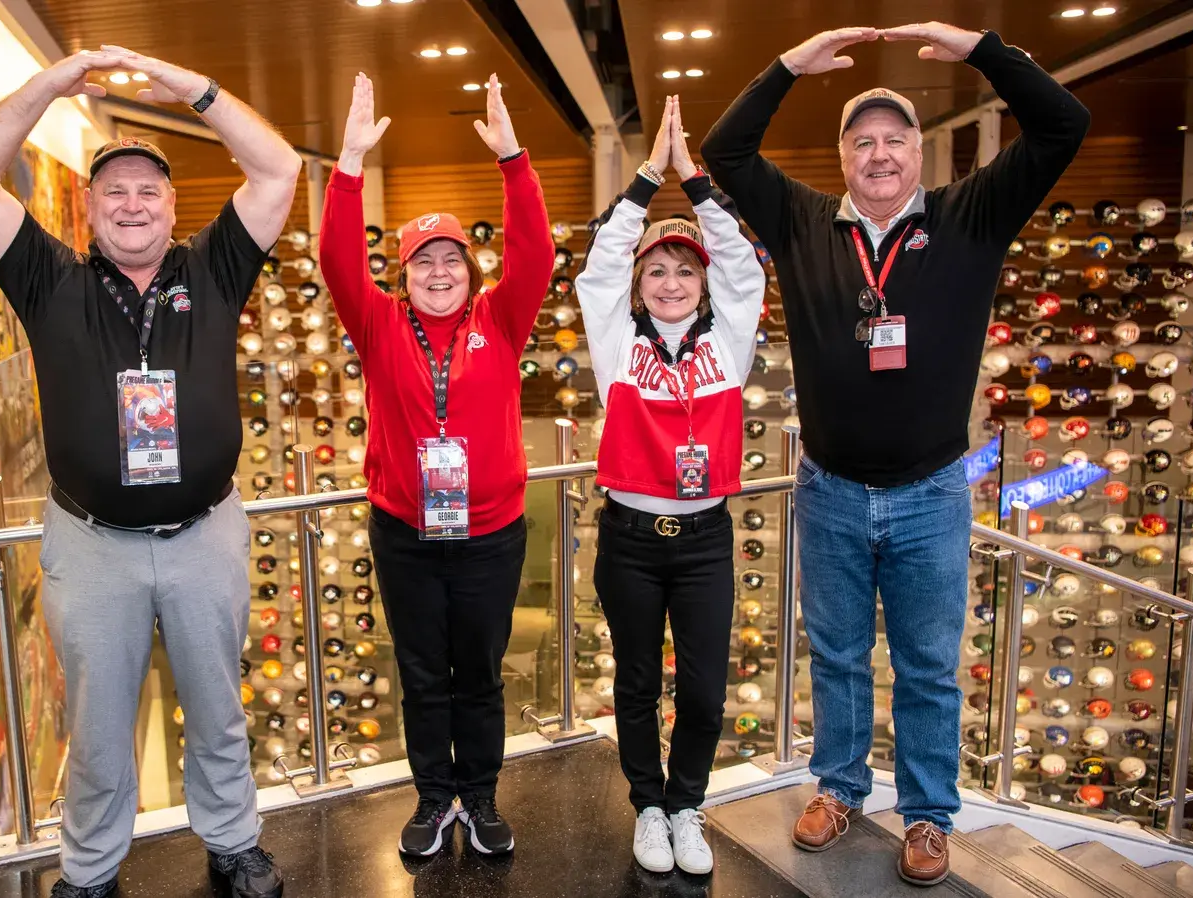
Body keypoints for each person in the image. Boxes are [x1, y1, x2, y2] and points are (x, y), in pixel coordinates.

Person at [700, 22, 1089, 886]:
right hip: (829, 489)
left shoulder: (970, 215)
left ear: (919, 151)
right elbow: (724, 149)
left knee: (925, 666)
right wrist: (788, 65)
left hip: (930, 492)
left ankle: (924, 816)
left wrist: (983, 51)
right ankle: (838, 789)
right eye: (861, 141)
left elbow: (1062, 126)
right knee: (834, 655)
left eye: (893, 139)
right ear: (842, 156)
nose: (878, 155)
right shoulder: (801, 220)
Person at [0, 45, 302, 898]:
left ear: (172, 206)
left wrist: (189, 85)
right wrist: (49, 85)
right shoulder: (48, 278)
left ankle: (234, 840)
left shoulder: (213, 268)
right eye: (114, 192)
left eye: (148, 190)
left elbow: (278, 167)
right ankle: (90, 870)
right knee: (99, 728)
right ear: (90, 208)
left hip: (203, 535)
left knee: (217, 710)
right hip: (91, 543)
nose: (132, 204)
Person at [320, 72, 554, 858]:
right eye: (424, 261)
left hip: (491, 533)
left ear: (471, 267)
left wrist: (513, 161)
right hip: (405, 533)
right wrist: (348, 163)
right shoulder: (379, 324)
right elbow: (335, 259)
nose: (439, 271)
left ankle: (480, 794)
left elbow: (537, 251)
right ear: (403, 273)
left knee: (479, 674)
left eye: (451, 258)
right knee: (422, 672)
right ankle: (432, 796)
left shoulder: (501, 318)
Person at [575, 96, 766, 876]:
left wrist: (696, 181)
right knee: (635, 681)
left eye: (684, 270)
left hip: (703, 538)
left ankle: (689, 804)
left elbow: (745, 263)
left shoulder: (730, 337)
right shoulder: (616, 342)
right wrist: (648, 176)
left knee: (704, 688)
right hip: (626, 537)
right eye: (655, 270)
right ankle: (647, 807)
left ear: (703, 281)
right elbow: (597, 266)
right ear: (639, 281)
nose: (669, 282)